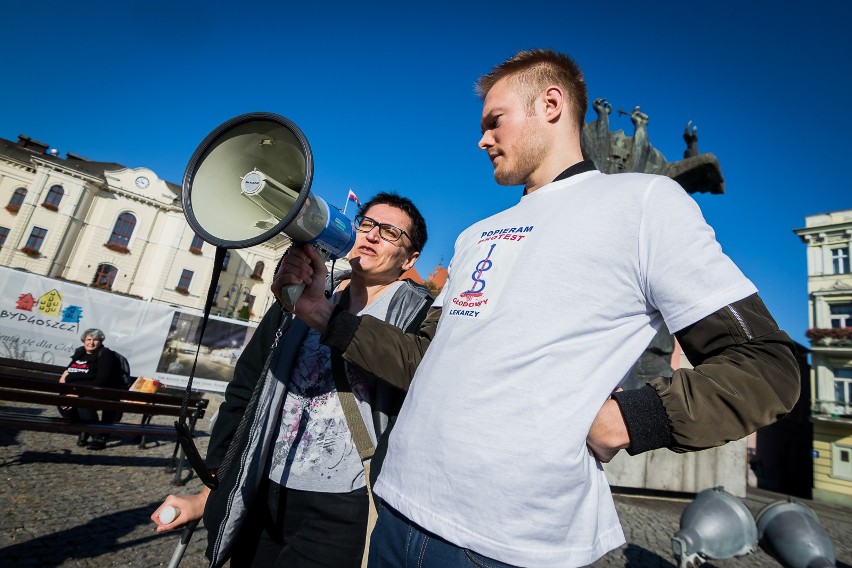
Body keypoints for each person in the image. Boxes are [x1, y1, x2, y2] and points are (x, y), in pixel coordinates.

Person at [273, 49, 800, 568]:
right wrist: (324, 317)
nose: (481, 139)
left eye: (494, 121)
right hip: (394, 508)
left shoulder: (644, 203)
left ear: (551, 104)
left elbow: (766, 365)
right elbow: (422, 360)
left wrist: (629, 418)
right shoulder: (473, 236)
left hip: (506, 544)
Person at [152, 193, 433, 568]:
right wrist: (213, 487)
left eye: (390, 233)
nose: (371, 236)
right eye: (365, 224)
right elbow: (247, 388)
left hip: (343, 503)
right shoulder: (301, 293)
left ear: (410, 259)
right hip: (265, 487)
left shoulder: (418, 315)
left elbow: (418, 382)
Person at [58, 328, 124, 450]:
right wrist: (70, 388)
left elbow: (101, 380)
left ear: (101, 341)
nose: (91, 342)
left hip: (101, 391)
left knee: (84, 402)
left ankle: (98, 436)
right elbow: (67, 372)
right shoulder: (80, 352)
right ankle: (84, 429)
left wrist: (77, 392)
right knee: (63, 402)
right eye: (89, 339)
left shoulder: (105, 354)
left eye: (95, 340)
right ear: (84, 340)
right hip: (77, 390)